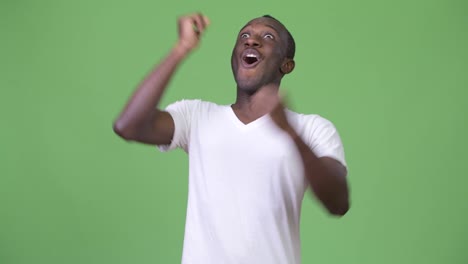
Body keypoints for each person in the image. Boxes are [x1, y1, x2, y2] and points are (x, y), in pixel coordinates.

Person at [113, 13, 350, 264]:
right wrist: (181, 48)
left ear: (286, 65)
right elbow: (129, 126)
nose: (252, 41)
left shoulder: (312, 128)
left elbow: (338, 202)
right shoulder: (196, 116)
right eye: (244, 36)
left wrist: (290, 132)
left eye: (267, 37)